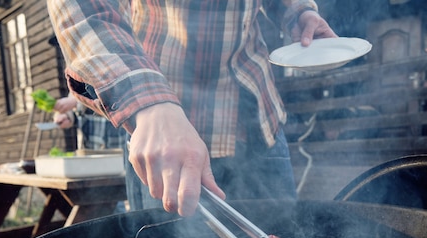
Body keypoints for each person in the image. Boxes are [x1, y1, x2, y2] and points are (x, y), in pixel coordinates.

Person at [47, 0, 337, 217]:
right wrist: (149, 102)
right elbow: (85, 9)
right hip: (164, 135)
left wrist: (298, 12)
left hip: (259, 121)